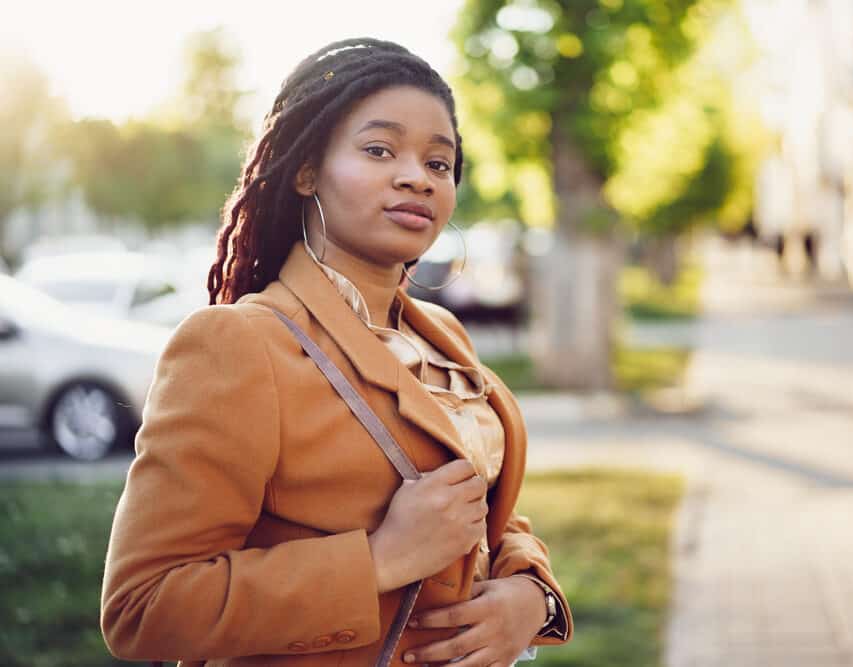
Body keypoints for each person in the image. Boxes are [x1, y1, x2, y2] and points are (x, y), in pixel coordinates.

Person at [100, 38, 572, 666]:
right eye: (379, 150)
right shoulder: (238, 344)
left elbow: (480, 507)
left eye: (439, 163)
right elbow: (143, 606)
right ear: (306, 170)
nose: (416, 176)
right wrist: (381, 560)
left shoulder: (440, 334)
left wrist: (528, 595)